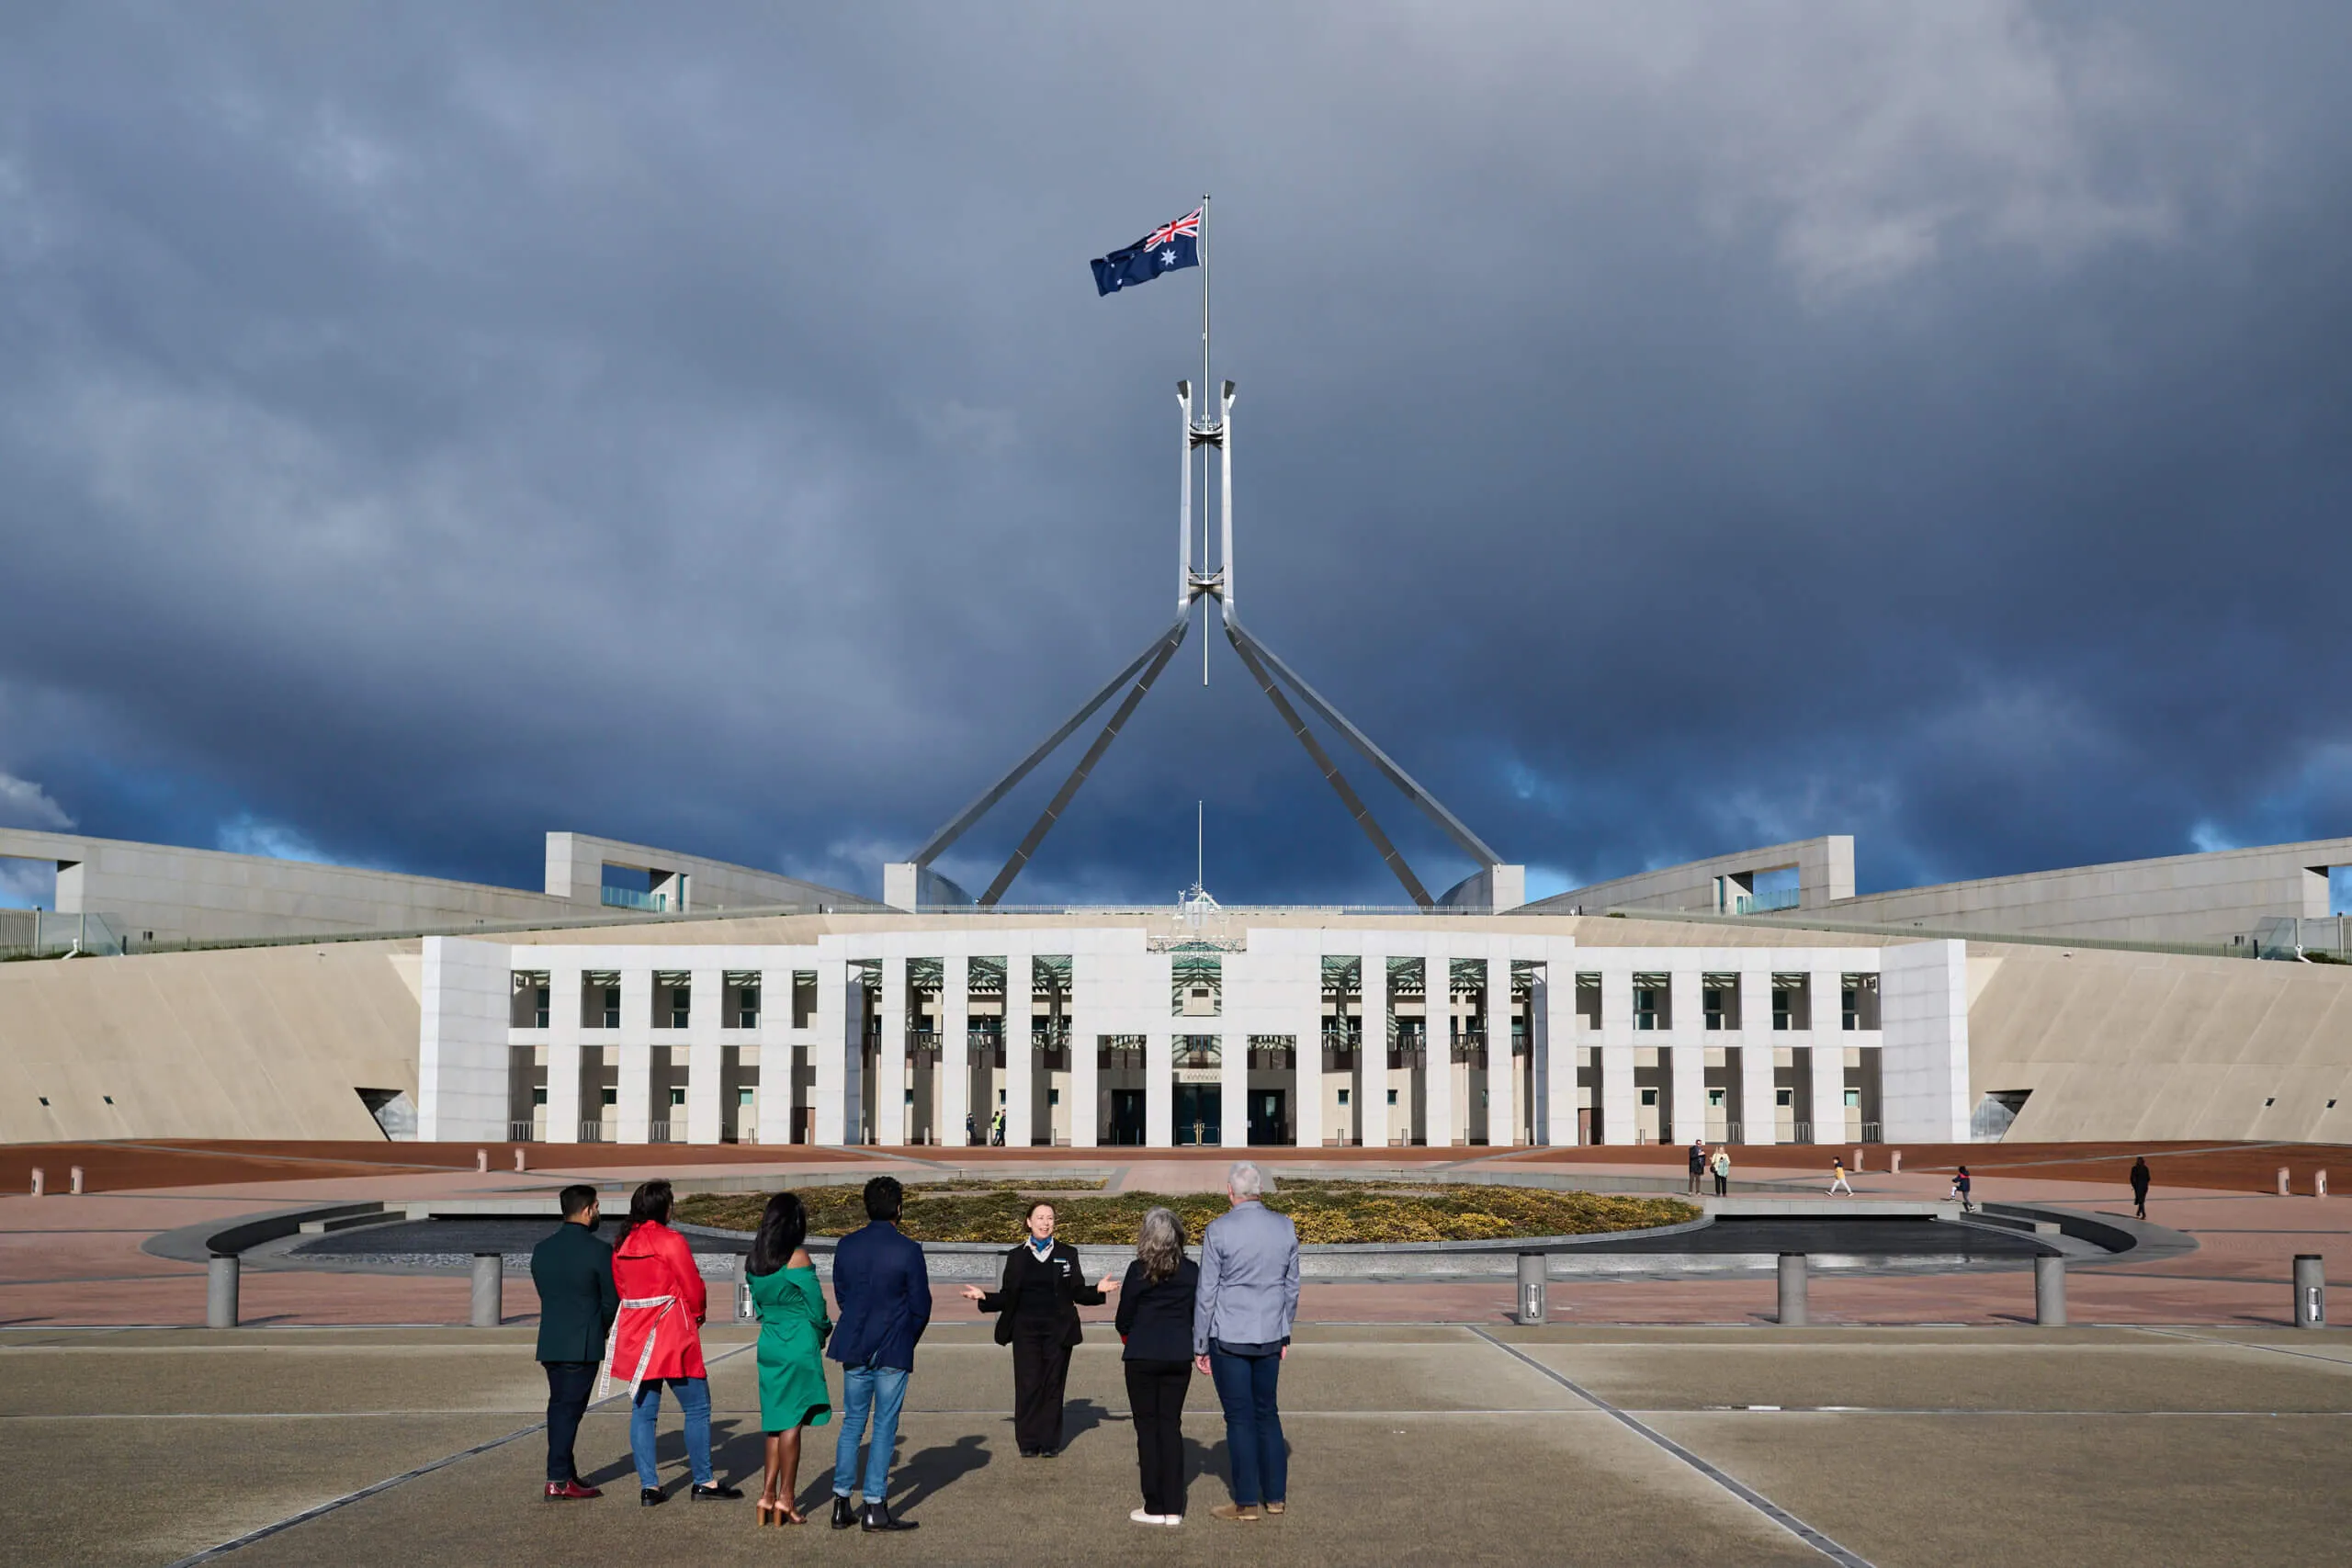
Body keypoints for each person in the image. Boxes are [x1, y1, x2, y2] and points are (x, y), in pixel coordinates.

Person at [606, 1179, 740, 1506]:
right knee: (697, 1407)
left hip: (636, 1332)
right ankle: (704, 1481)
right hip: (672, 1330)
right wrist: (697, 1314)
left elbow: (621, 1288)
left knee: (643, 1412)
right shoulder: (671, 1240)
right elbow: (692, 1285)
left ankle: (649, 1486)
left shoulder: (622, 1242)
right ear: (664, 1208)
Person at [960, 1201, 1118, 1459]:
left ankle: (1049, 1442)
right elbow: (1008, 1296)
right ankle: (1028, 1441)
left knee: (1053, 1385)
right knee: (1028, 1384)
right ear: (1029, 1222)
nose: (1046, 1223)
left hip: (1059, 1331)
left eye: (1050, 1218)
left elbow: (1077, 1291)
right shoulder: (1017, 1256)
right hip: (1026, 1331)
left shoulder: (1067, 1253)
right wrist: (985, 1297)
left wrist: (1097, 1290)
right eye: (1041, 1218)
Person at [1193, 1160, 1300, 1524]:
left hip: (1229, 1335)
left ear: (1230, 1192)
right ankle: (1275, 1497)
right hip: (1269, 1332)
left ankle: (1245, 1501)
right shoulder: (1284, 1227)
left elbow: (1207, 1292)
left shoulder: (1218, 1230)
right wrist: (1285, 1329)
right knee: (1267, 1413)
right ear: (1260, 1190)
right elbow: (1291, 1287)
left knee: (1239, 1418)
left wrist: (1200, 1343)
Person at [826, 1175, 931, 1532]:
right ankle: (874, 1504)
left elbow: (842, 1293)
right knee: (885, 1424)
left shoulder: (847, 1245)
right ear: (899, 1208)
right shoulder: (908, 1250)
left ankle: (841, 1501)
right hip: (892, 1344)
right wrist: (906, 1336)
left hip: (854, 1342)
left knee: (853, 1422)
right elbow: (921, 1305)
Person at [746, 1191, 831, 1526]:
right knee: (793, 1423)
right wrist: (821, 1332)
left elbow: (759, 1305)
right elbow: (817, 1306)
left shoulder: (755, 1260)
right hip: (797, 1341)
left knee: (775, 1423)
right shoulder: (796, 1257)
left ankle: (766, 1495)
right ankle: (786, 1498)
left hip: (769, 1341)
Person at [530, 1183, 618, 1501]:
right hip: (582, 1343)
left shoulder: (542, 1249)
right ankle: (558, 1478)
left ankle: (565, 1471)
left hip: (552, 1339)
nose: (598, 1212)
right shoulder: (599, 1251)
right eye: (597, 1207)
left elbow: (545, 1290)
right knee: (568, 1411)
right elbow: (611, 1300)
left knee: (560, 1407)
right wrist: (600, 1327)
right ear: (588, 1210)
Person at [1116, 1206, 1200, 1526]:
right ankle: (1173, 1506)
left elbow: (1123, 1317)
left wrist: (1131, 1336)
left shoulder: (1137, 1270)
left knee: (1147, 1428)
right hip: (1178, 1354)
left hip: (1142, 1353)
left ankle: (1154, 1504)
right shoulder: (1191, 1271)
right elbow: (1196, 1313)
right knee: (1170, 1426)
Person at [2130, 1156, 2152, 1220]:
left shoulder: (2134, 1168)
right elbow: (2148, 1178)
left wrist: (2134, 1185)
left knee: (2140, 1200)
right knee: (2141, 1200)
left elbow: (2132, 1178)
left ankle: (2143, 1214)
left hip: (2138, 1186)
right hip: (2144, 1186)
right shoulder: (2145, 1168)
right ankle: (2138, 1212)